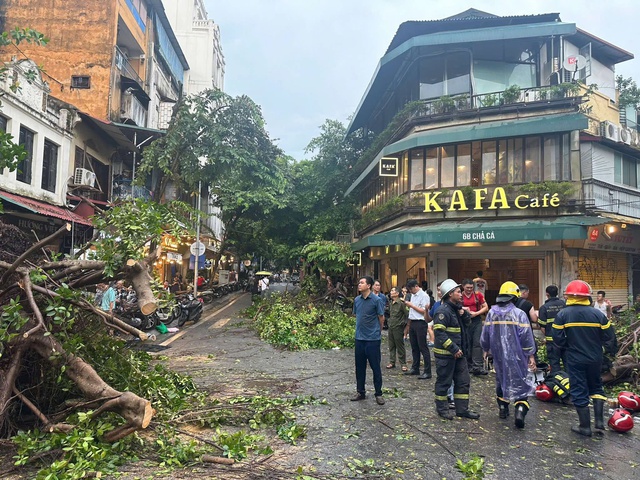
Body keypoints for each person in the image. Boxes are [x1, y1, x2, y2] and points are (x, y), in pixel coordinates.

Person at [552, 280, 617, 437]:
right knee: (596, 386)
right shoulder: (597, 314)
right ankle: (600, 422)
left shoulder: (562, 315)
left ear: (569, 296)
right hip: (595, 357)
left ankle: (585, 427)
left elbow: (557, 339)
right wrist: (602, 348)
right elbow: (610, 337)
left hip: (575, 358)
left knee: (579, 388)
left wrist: (569, 346)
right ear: (586, 297)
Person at [480, 281, 537, 428]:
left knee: (501, 379)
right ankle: (519, 410)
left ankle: (503, 408)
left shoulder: (492, 313)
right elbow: (526, 337)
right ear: (515, 297)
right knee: (520, 381)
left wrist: (485, 349)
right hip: (518, 357)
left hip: (498, 355)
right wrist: (531, 355)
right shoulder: (519, 314)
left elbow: (485, 334)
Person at [433, 279, 479, 420]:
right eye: (458, 292)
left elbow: (467, 323)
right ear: (450, 294)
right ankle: (442, 409)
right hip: (446, 356)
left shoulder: (456, 310)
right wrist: (453, 349)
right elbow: (439, 333)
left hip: (460, 355)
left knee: (463, 382)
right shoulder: (442, 311)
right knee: (444, 383)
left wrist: (463, 313)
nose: (461, 294)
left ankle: (462, 410)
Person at [351, 276, 386, 405]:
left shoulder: (377, 300)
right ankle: (361, 391)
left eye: (362, 283)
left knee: (375, 366)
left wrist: (377, 331)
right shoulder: (357, 300)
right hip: (359, 338)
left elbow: (381, 318)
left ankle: (378, 393)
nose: (359, 284)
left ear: (369, 285)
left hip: (372, 339)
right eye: (359, 282)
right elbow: (357, 316)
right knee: (359, 367)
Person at [403, 279, 431, 379]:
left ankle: (428, 371)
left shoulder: (424, 296)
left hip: (421, 322)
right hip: (413, 322)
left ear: (416, 286)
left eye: (411, 289)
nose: (411, 292)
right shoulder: (413, 295)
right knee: (414, 346)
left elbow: (424, 311)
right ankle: (415, 368)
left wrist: (412, 305)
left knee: (423, 347)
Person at [461, 278, 488, 375]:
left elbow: (486, 307)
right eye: (467, 287)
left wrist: (476, 313)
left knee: (477, 342)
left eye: (471, 288)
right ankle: (468, 365)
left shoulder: (478, 295)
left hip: (476, 320)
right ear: (463, 287)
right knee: (467, 342)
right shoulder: (460, 296)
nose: (469, 289)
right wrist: (464, 310)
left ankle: (478, 366)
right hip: (464, 321)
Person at [537, 285, 566, 373]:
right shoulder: (564, 305)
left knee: (554, 364)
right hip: (565, 339)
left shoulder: (544, 308)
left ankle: (557, 383)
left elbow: (542, 327)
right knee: (568, 363)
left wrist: (547, 337)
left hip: (552, 341)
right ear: (557, 293)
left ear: (547, 294)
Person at [386, 287, 409, 371]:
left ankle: (403, 363)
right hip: (391, 326)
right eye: (391, 290)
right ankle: (392, 361)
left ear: (397, 293)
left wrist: (403, 324)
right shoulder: (391, 303)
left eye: (393, 291)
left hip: (398, 327)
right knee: (391, 345)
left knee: (400, 346)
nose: (391, 292)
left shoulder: (401, 303)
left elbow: (407, 314)